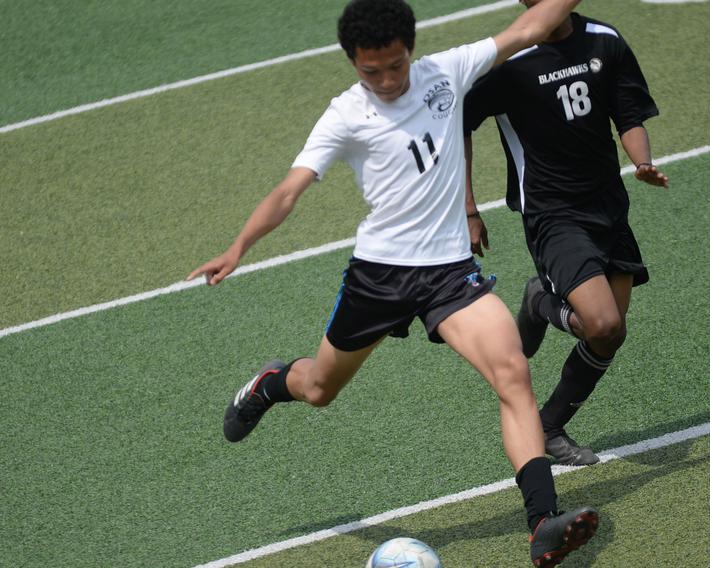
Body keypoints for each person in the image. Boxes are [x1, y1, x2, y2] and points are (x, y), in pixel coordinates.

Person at [187, 0, 598, 565]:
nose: (385, 80)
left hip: (450, 275)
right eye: (369, 71)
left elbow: (530, 25)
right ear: (353, 63)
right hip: (378, 277)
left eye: (395, 66)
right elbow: (289, 191)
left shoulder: (447, 71)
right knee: (319, 390)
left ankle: (543, 523)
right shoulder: (345, 114)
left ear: (412, 50)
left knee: (512, 373)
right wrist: (238, 247)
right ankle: (270, 384)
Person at [463, 0, 668, 467]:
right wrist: (469, 208)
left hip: (609, 206)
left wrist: (642, 162)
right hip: (552, 213)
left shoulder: (604, 41)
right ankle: (542, 302)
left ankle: (550, 425)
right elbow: (458, 126)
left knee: (610, 335)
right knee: (604, 324)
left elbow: (629, 114)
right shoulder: (507, 64)